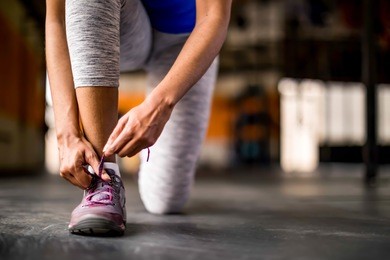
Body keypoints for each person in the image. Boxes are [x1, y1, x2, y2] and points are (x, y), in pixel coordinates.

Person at [45, 0, 232, 236]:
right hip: (124, 22)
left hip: (186, 37)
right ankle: (105, 178)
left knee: (165, 200)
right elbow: (56, 19)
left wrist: (160, 105)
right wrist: (66, 131)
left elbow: (214, 17)